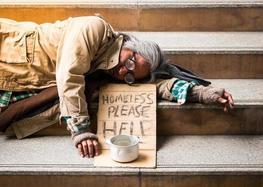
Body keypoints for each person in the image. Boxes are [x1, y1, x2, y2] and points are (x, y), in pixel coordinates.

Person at [0, 16, 234, 158]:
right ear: (129, 45)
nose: (124, 72)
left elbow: (159, 85)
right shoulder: (95, 29)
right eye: (128, 62)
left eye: (131, 76)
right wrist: (81, 130)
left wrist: (202, 93)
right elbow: (69, 75)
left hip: (17, 87)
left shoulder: (111, 75)